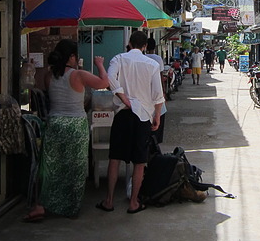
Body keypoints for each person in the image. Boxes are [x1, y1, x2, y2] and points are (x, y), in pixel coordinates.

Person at [23, 39, 108, 222]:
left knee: (53, 167)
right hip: (75, 125)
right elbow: (103, 83)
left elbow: (53, 95)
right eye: (76, 55)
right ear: (71, 57)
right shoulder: (78, 75)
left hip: (54, 124)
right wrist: (100, 64)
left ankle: (42, 205)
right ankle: (70, 207)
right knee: (75, 168)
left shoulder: (48, 75)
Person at [97, 31, 164, 214]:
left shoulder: (118, 58)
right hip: (142, 116)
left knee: (115, 158)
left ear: (129, 43)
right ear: (144, 47)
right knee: (140, 162)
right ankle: (133, 202)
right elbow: (158, 95)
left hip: (123, 114)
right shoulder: (152, 64)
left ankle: (109, 200)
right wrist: (157, 115)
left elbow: (109, 79)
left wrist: (122, 96)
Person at [144, 37, 167, 144]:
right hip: (156, 91)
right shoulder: (157, 58)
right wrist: (163, 92)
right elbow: (161, 76)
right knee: (159, 115)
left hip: (145, 92)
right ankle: (155, 144)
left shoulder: (142, 58)